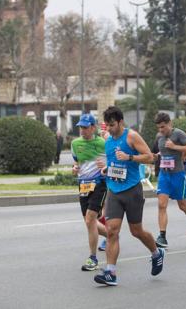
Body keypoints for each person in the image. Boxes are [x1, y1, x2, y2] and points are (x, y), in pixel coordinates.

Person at [93, 106, 165, 287]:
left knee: (136, 231)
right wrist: (106, 169)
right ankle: (110, 272)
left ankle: (156, 253)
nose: (109, 129)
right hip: (114, 191)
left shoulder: (131, 136)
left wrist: (130, 157)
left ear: (120, 122)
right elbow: (114, 163)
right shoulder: (108, 141)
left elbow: (150, 157)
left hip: (132, 190)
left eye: (112, 125)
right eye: (107, 125)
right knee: (111, 231)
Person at [153, 112, 186, 249]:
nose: (161, 130)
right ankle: (162, 236)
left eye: (163, 127)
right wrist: (157, 156)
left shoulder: (178, 134)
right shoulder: (159, 137)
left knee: (183, 205)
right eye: (159, 128)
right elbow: (162, 151)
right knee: (161, 205)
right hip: (164, 174)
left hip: (178, 174)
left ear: (169, 123)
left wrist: (175, 147)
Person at [71, 114, 108, 272]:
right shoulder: (75, 143)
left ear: (93, 127)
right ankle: (111, 235)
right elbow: (76, 163)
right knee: (89, 222)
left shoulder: (102, 143)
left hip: (99, 184)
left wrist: (105, 164)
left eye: (85, 127)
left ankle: (93, 258)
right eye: (81, 127)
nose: (83, 130)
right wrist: (74, 169)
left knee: (90, 219)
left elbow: (111, 162)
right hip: (83, 186)